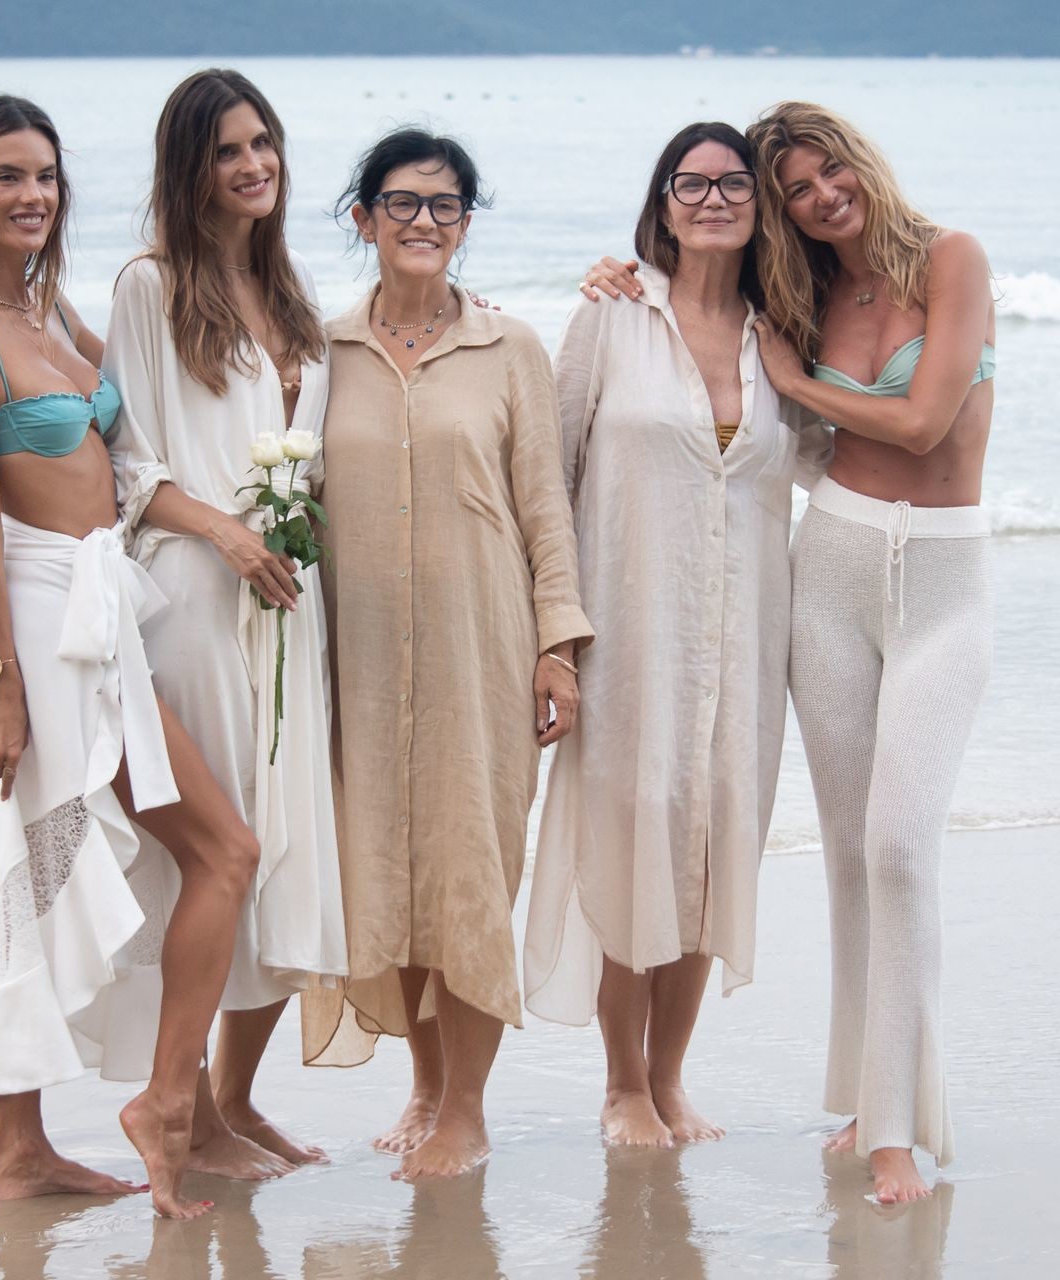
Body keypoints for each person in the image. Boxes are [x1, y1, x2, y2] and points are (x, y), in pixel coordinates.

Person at [581, 100, 996, 1203]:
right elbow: (685, 356)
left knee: (900, 846)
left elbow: (921, 421)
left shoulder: (951, 260)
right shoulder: (796, 298)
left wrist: (799, 382)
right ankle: (867, 1100)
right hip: (832, 571)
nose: (821, 197)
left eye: (828, 173)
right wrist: (617, 275)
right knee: (855, 856)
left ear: (863, 160)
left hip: (944, 580)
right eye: (797, 189)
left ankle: (896, 1128)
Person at [0, 95, 260, 1220]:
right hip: (41, 622)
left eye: (47, 176)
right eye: (8, 175)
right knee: (186, 854)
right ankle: (161, 1104)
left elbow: (168, 391)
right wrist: (0, 688)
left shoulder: (47, 306)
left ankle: (24, 1150)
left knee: (37, 873)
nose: (34, 196)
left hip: (103, 611)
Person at [302, 128, 593, 1180]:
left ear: (466, 224)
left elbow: (545, 508)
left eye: (446, 205)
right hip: (359, 663)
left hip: (485, 651)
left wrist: (559, 647)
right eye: (403, 202)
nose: (424, 220)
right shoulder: (321, 352)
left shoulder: (510, 348)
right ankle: (425, 1085)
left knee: (470, 873)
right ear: (364, 218)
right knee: (389, 875)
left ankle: (465, 1111)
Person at [524, 123, 807, 1148]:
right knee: (632, 848)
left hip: (744, 644)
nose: (713, 198)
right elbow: (549, 478)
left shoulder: (784, 334)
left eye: (734, 183)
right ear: (663, 202)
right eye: (692, 182)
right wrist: (553, 636)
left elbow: (833, 451)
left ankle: (671, 1078)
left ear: (760, 205)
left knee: (711, 853)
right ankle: (622, 1086)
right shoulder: (611, 316)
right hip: (628, 636)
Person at [104, 67, 346, 1177]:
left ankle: (231, 1103)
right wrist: (226, 535)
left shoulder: (288, 288)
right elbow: (128, 465)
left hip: (288, 601)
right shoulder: (151, 286)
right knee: (211, 859)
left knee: (287, 844)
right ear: (188, 168)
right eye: (227, 151)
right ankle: (187, 1111)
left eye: (263, 144)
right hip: (195, 596)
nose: (254, 166)